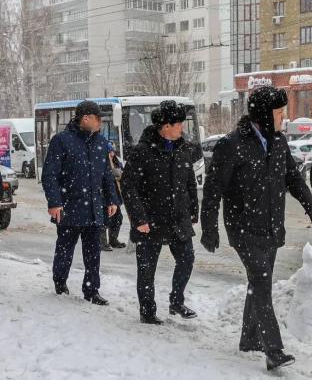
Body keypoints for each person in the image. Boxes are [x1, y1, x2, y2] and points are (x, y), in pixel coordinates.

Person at [200, 86, 312, 371]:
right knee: (261, 282)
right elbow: (213, 189)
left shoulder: (278, 142)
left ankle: (248, 339)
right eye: (279, 113)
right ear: (265, 115)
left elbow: (293, 179)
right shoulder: (231, 145)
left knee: (259, 283)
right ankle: (273, 350)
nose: (284, 118)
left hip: (270, 228)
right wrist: (209, 228)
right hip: (243, 228)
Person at [121, 100, 199, 325]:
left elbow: (190, 183)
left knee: (187, 259)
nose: (181, 128)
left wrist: (193, 210)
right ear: (165, 126)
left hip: (178, 219)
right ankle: (147, 311)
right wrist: (139, 219)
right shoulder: (142, 152)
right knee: (147, 269)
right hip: (150, 220)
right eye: (178, 124)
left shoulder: (183, 149)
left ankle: (176, 301)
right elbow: (128, 186)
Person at [42, 100, 119, 305]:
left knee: (93, 252)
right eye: (98, 119)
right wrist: (55, 202)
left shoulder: (101, 142)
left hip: (94, 208)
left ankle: (91, 290)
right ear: (85, 118)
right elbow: (49, 174)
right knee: (65, 249)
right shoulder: (62, 141)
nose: (100, 123)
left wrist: (112, 199)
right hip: (68, 208)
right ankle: (60, 282)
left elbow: (106, 175)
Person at [100, 142, 126, 251]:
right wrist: (111, 174)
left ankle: (113, 239)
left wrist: (120, 174)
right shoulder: (100, 161)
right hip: (104, 196)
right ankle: (102, 242)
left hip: (115, 196)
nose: (111, 154)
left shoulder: (116, 161)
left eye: (112, 151)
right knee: (105, 219)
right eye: (109, 151)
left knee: (118, 218)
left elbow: (122, 173)